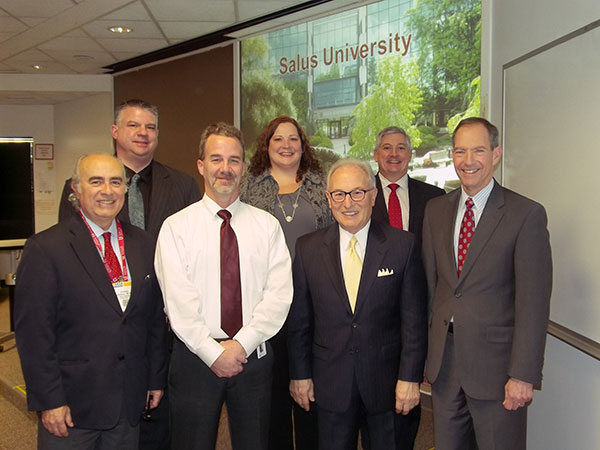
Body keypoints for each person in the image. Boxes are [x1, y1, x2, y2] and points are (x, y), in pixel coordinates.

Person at [154, 122, 293, 450]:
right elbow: (178, 301)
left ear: (244, 167)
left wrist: (240, 345)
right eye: (216, 159)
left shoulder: (267, 226)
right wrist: (212, 351)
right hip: (194, 357)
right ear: (201, 166)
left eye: (234, 160)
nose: (225, 169)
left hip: (252, 357)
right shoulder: (176, 228)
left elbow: (278, 295)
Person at [15, 154, 167, 450]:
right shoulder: (46, 248)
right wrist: (50, 401)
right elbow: (34, 335)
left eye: (115, 182)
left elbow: (152, 321)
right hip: (72, 408)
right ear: (76, 188)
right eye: (95, 181)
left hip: (128, 403)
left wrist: (154, 379)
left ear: (125, 189)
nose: (107, 191)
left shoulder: (145, 244)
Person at [422, 117, 552, 450]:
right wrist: (427, 358)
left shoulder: (525, 214)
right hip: (446, 368)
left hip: (498, 373)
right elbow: (432, 288)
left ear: (496, 154)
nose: (468, 161)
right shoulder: (435, 211)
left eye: (478, 150)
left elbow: (532, 303)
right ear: (452, 155)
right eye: (460, 151)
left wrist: (522, 374)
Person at [288, 158, 428, 450]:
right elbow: (300, 321)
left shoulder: (403, 245)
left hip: (386, 385)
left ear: (373, 195)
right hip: (330, 384)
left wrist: (410, 377)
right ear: (328, 198)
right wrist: (300, 375)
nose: (347, 202)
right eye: (338, 194)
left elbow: (413, 322)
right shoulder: (307, 248)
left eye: (357, 193)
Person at [240, 116, 332, 450]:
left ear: (303, 145)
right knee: (274, 392)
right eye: (278, 139)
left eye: (293, 139)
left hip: (316, 301)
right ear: (267, 145)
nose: (286, 145)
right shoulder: (249, 187)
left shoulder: (322, 184)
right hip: (267, 304)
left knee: (311, 390)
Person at [59, 98, 201, 240]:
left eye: (150, 127)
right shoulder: (80, 186)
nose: (143, 132)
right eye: (133, 125)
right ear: (115, 131)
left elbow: (195, 239)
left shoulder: (184, 185)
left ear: (157, 134)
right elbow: (69, 240)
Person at [372, 126, 445, 248]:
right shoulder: (361, 196)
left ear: (410, 155)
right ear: (376, 155)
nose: (394, 154)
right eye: (387, 148)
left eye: (401, 148)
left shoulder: (434, 197)